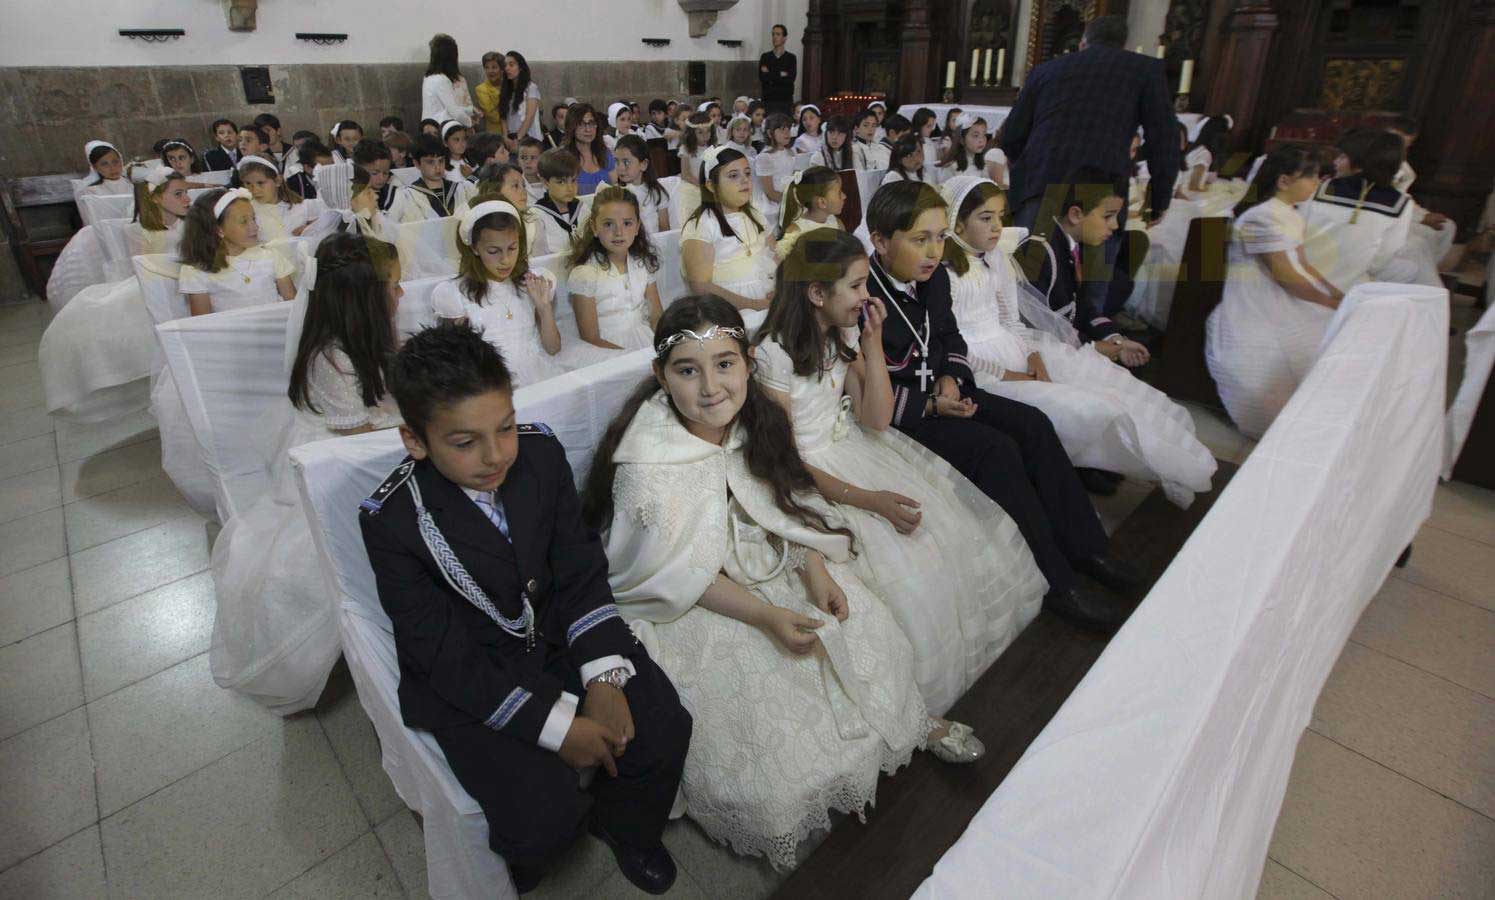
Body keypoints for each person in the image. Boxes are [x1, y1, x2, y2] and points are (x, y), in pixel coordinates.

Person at [584, 295, 983, 870]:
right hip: (701, 598)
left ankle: (910, 723)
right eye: (687, 370)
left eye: (725, 363)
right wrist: (766, 614)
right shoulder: (649, 464)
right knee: (774, 713)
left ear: (747, 362)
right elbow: (676, 574)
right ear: (660, 376)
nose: (711, 387)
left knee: (862, 627)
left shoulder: (754, 422)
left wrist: (813, 569)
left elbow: (780, 503)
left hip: (768, 560)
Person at [361, 321, 691, 895]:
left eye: (506, 427)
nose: (495, 456)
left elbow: (580, 569)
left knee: (662, 727)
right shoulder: (392, 520)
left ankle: (627, 827)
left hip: (559, 634)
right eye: (464, 443)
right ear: (416, 441)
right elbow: (440, 654)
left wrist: (605, 679)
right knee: (540, 814)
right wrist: (556, 726)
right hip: (472, 672)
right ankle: (535, 858)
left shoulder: (538, 456)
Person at [756, 229, 1046, 710]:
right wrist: (869, 500)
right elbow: (786, 462)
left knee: (941, 539)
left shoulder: (841, 332)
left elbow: (877, 418)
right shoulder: (774, 353)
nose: (866, 297)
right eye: (856, 286)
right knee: (897, 568)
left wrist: (870, 345)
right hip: (807, 472)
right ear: (816, 293)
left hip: (854, 446)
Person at [865, 181, 1139, 631]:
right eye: (920, 239)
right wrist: (933, 403)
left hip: (947, 389)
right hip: (907, 412)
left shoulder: (931, 278)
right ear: (879, 241)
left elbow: (951, 338)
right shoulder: (864, 293)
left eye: (939, 236)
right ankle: (1058, 581)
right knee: (997, 450)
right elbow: (859, 388)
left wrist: (953, 377)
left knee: (1033, 423)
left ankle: (1088, 548)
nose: (935, 251)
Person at [211, 232, 403, 714]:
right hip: (340, 465)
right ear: (361, 300)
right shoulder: (332, 358)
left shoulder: (356, 342)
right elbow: (362, 433)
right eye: (393, 286)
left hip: (359, 446)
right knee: (323, 569)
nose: (401, 294)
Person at [942, 176, 1215, 507]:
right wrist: (1014, 376)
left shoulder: (996, 258)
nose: (998, 227)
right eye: (986, 218)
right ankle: (1091, 466)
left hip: (1018, 348)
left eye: (1001, 216)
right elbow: (950, 343)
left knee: (1112, 385)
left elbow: (1012, 320)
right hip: (982, 369)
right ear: (957, 221)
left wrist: (1034, 358)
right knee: (1092, 408)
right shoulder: (942, 272)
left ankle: (1126, 460)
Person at [1001, 15, 1180, 319]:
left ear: (1083, 42)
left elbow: (1013, 135)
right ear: (1122, 44)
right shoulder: (1144, 69)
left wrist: (1028, 173)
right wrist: (1158, 200)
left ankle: (1031, 357)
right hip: (1101, 196)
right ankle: (1089, 342)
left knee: (1028, 290)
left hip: (1043, 187)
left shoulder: (1046, 70)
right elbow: (1164, 140)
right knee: (1091, 296)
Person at [1206, 145, 1343, 438]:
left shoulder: (1289, 212)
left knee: (1331, 332)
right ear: (1284, 181)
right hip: (1257, 300)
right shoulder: (1261, 217)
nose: (1317, 184)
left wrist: (1337, 294)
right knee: (1296, 347)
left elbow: (1303, 263)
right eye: (1313, 178)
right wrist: (1328, 302)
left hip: (1280, 294)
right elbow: (1285, 276)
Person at [40, 164, 190, 423]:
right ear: (155, 197)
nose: (187, 199)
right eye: (178, 194)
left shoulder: (192, 224)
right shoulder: (139, 230)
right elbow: (142, 266)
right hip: (155, 284)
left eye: (185, 192)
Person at [1013, 167, 1152, 365]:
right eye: (1107, 216)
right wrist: (1091, 347)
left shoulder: (1073, 245)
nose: (1114, 225)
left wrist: (1114, 339)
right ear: (1076, 214)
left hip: (1065, 349)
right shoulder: (1040, 252)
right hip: (1038, 356)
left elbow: (1082, 307)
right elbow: (1033, 324)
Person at [1302, 129, 1436, 289]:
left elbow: (1297, 232)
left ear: (1360, 164)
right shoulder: (1400, 203)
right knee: (1411, 269)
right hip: (1349, 285)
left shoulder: (1320, 188)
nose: (1335, 162)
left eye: (1343, 156)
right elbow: (1381, 259)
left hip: (1303, 273)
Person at [680, 146, 777, 323]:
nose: (745, 181)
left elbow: (776, 256)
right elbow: (700, 286)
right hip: (727, 307)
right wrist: (755, 305)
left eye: (747, 173)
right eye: (733, 176)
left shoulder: (756, 215)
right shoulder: (702, 225)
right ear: (711, 185)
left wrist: (780, 290)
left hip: (767, 294)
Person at [567, 186, 663, 351]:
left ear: (637, 227)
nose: (619, 232)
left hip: (645, 339)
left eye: (627, 223)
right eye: (608, 224)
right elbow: (590, 337)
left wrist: (662, 346)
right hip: (606, 348)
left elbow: (656, 317)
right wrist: (628, 357)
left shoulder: (642, 263)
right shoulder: (585, 274)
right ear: (594, 227)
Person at [178, 188, 296, 316]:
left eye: (253, 219)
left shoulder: (271, 256)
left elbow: (294, 306)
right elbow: (202, 323)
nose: (255, 227)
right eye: (244, 221)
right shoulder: (197, 271)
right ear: (218, 230)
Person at [775, 166, 845, 258]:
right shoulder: (795, 233)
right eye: (839, 193)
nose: (844, 196)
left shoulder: (837, 224)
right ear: (822, 202)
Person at [612, 134, 671, 234]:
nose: (620, 168)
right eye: (617, 161)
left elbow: (665, 231)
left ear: (643, 164)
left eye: (626, 162)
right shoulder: (615, 193)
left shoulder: (657, 192)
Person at [532, 148, 584, 256]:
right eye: (561, 182)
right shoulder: (536, 215)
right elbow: (537, 257)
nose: (570, 188)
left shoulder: (582, 208)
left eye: (573, 180)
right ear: (545, 182)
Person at [421, 33, 478, 129]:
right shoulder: (441, 79)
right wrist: (470, 123)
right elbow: (455, 112)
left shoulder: (429, 77)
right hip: (440, 128)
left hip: (431, 126)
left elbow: (446, 108)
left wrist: (471, 110)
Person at [754, 113, 797, 225]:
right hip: (773, 201)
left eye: (788, 129)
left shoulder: (790, 152)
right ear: (770, 133)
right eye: (782, 129)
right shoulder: (765, 157)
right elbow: (770, 192)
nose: (787, 133)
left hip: (788, 195)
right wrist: (789, 202)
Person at [563, 103, 615, 196]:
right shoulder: (564, 158)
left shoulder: (605, 153)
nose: (588, 129)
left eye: (591, 123)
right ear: (571, 126)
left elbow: (615, 186)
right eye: (581, 124)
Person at [499, 51, 544, 148]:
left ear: (521, 67)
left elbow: (529, 117)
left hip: (528, 140)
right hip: (510, 140)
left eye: (511, 65)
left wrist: (518, 138)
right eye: (505, 65)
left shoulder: (531, 88)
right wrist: (505, 138)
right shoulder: (506, 90)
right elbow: (503, 117)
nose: (507, 68)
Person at [758, 23, 797, 117]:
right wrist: (781, 74)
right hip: (768, 100)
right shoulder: (765, 57)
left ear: (784, 38)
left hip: (785, 101)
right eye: (773, 34)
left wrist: (770, 73)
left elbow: (790, 78)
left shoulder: (791, 58)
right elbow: (763, 78)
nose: (774, 37)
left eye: (778, 34)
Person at [475, 51, 504, 133]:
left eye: (494, 67)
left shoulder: (509, 86)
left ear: (502, 69)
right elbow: (493, 116)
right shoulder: (481, 89)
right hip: (495, 134)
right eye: (487, 67)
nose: (490, 71)